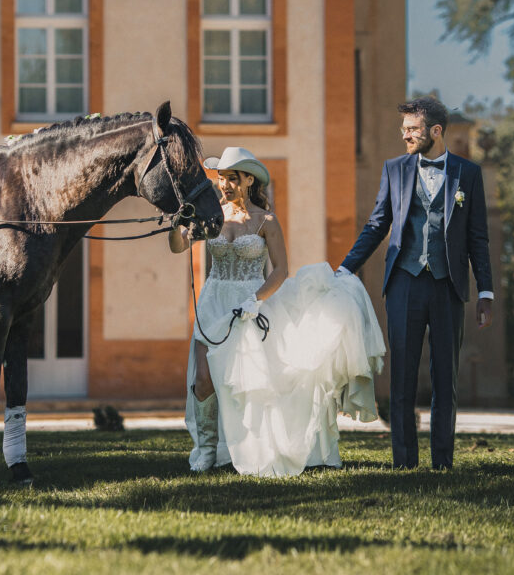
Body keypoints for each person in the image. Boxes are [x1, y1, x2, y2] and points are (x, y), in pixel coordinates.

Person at [169, 146, 385, 477]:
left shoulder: (266, 220)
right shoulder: (212, 215)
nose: (224, 185)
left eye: (230, 179)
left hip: (249, 306)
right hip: (213, 299)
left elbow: (281, 270)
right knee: (202, 380)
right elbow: (178, 245)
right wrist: (178, 222)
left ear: (248, 180)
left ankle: (246, 445)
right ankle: (206, 448)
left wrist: (254, 300)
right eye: (221, 178)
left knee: (244, 384)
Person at [339, 97, 494, 470]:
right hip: (404, 284)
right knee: (402, 378)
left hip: (448, 285)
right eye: (404, 128)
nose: (404, 135)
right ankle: (404, 462)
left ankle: (442, 462)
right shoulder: (395, 169)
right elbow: (377, 224)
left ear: (435, 131)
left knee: (446, 378)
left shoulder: (468, 175)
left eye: (412, 129)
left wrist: (485, 291)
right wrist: (346, 268)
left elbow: (478, 238)